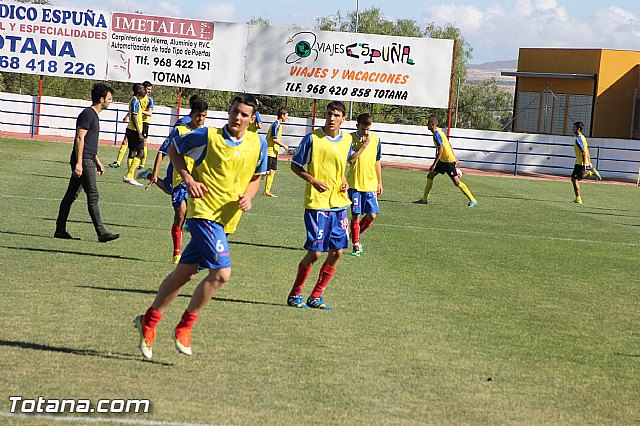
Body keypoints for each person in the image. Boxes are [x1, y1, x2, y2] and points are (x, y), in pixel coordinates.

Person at [133, 93, 267, 359]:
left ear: (252, 120)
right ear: (229, 111)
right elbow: (174, 148)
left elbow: (256, 176)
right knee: (221, 274)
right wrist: (188, 179)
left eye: (244, 115)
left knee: (184, 274)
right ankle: (184, 326)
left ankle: (148, 322)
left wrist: (250, 196)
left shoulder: (258, 144)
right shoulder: (208, 136)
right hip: (204, 214)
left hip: (227, 219)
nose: (238, 118)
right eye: (235, 112)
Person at [287, 101, 352, 310]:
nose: (331, 118)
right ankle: (295, 294)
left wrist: (344, 179)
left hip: (340, 203)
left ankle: (316, 296)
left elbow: (340, 165)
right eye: (329, 114)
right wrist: (313, 180)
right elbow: (295, 165)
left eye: (336, 115)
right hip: (317, 203)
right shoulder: (312, 139)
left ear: (343, 118)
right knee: (315, 252)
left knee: (337, 252)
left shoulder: (348, 140)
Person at [54, 83, 120, 243]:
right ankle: (101, 233)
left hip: (88, 159)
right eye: (109, 99)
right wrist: (79, 163)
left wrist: (97, 161)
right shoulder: (88, 114)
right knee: (93, 195)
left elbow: (89, 142)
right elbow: (79, 138)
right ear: (101, 99)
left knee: (70, 196)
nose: (110, 101)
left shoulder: (93, 115)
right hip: (83, 160)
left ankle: (60, 230)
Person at [145, 99, 209, 264]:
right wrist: (157, 172)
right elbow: (162, 151)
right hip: (179, 178)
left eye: (204, 116)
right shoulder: (179, 130)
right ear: (191, 114)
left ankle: (194, 253)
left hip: (198, 180)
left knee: (194, 217)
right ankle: (177, 253)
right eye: (198, 115)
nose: (200, 119)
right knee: (180, 215)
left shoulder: (206, 134)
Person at [414, 116, 478, 207]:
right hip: (443, 160)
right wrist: (455, 157)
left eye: (428, 123)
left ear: (433, 124)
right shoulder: (440, 132)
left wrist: (434, 164)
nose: (427, 125)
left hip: (448, 161)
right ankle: (424, 199)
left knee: (456, 182)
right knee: (430, 176)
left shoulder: (437, 134)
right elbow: (449, 144)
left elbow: (441, 150)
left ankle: (473, 200)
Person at [347, 113, 383, 257]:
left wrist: (379, 182)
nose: (366, 133)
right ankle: (356, 244)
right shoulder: (349, 139)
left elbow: (377, 161)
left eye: (368, 129)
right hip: (355, 184)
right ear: (357, 126)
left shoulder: (376, 139)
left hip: (371, 184)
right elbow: (350, 160)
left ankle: (351, 234)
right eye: (363, 129)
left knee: (372, 215)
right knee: (356, 216)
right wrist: (363, 146)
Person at [571, 121, 602, 204]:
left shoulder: (578, 139)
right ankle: (578, 198)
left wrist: (585, 164)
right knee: (576, 179)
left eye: (574, 128)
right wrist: (589, 162)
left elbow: (584, 152)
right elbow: (587, 151)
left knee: (574, 179)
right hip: (581, 162)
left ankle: (578, 199)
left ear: (578, 129)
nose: (572, 129)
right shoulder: (583, 138)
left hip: (580, 163)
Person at [122, 83, 147, 186]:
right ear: (138, 91)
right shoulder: (135, 101)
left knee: (132, 152)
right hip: (134, 131)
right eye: (142, 89)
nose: (144, 91)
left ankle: (130, 177)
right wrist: (139, 133)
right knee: (140, 153)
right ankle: (129, 175)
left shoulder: (134, 100)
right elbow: (133, 117)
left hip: (131, 130)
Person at [263, 107, 289, 197]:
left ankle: (267, 191)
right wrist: (284, 145)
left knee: (272, 171)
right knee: (265, 172)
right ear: (282, 115)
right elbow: (273, 139)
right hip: (269, 151)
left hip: (274, 152)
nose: (287, 118)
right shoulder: (276, 124)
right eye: (287, 116)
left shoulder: (280, 125)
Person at [138, 81, 154, 169]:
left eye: (150, 89)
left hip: (144, 122)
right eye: (148, 89)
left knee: (144, 142)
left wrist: (140, 111)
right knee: (126, 140)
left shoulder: (150, 99)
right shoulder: (137, 98)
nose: (149, 91)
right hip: (136, 121)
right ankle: (118, 162)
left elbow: (150, 113)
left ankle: (142, 164)